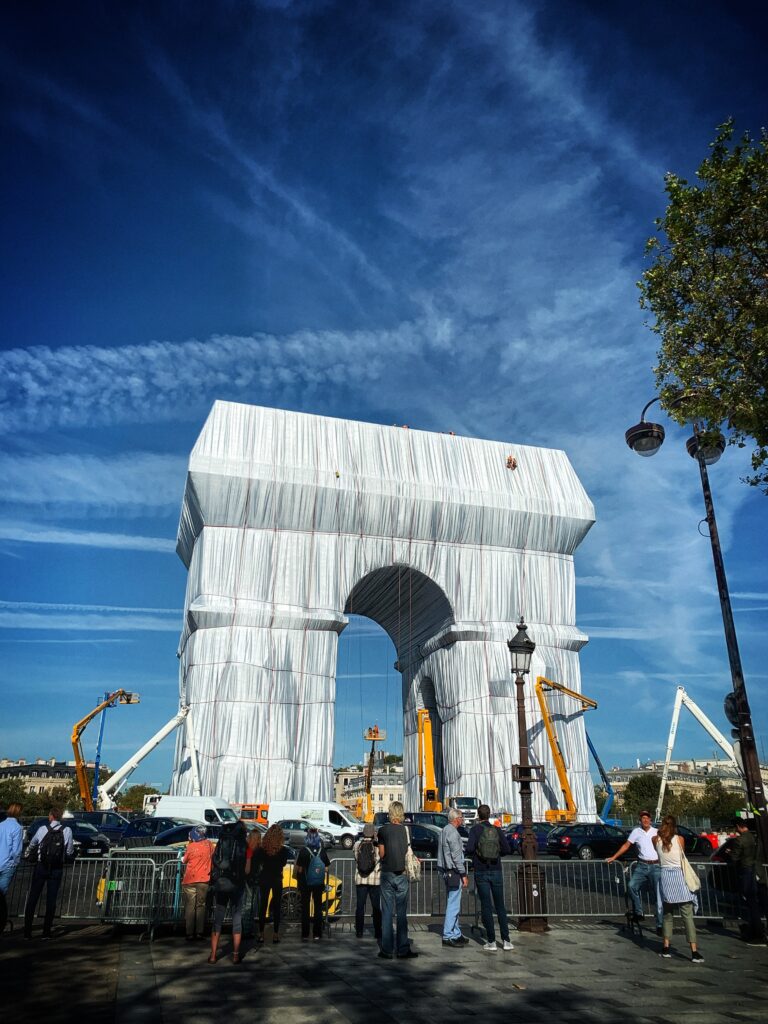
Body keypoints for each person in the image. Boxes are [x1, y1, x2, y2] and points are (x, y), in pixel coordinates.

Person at [653, 814, 703, 962]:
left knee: (667, 915)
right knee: (687, 916)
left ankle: (666, 947)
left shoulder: (656, 840)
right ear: (675, 826)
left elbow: (658, 851)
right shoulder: (680, 839)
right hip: (679, 877)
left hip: (665, 878)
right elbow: (682, 855)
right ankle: (694, 951)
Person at [465, 803, 513, 951]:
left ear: (478, 815)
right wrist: (496, 855)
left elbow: (470, 849)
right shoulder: (497, 830)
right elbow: (507, 849)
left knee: (486, 905)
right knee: (500, 906)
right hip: (496, 869)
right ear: (489, 814)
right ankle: (506, 941)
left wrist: (476, 856)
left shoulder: (475, 830)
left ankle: (491, 941)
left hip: (481, 871)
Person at [606, 810, 663, 933]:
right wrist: (614, 857)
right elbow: (626, 845)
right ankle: (639, 911)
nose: (645, 820)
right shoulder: (636, 832)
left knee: (658, 896)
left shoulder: (657, 832)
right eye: (643, 818)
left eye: (647, 818)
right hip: (642, 865)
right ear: (640, 820)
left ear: (651, 820)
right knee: (632, 886)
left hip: (656, 866)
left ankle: (660, 924)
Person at [23, 807, 74, 939]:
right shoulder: (67, 830)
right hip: (57, 868)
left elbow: (33, 843)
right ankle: (46, 932)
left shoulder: (42, 829)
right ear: (61, 817)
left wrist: (28, 853)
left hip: (41, 866)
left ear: (51, 816)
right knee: (51, 900)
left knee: (33, 898)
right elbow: (69, 851)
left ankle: (27, 931)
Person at [377, 800, 417, 959]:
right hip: (402, 873)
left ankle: (386, 950)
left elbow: (381, 854)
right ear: (401, 814)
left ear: (390, 813)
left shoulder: (383, 830)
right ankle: (403, 948)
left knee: (386, 912)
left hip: (387, 873)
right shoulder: (406, 830)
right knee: (401, 913)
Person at [208, 819, 248, 964]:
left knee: (218, 918)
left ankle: (213, 955)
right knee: (237, 918)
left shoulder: (221, 842)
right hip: (237, 884)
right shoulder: (244, 844)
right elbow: (247, 868)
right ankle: (236, 955)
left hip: (222, 883)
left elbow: (215, 861)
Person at [437, 806, 469, 948]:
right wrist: (463, 874)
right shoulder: (454, 833)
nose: (462, 820)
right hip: (454, 871)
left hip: (446, 870)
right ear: (456, 819)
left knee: (453, 901)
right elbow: (456, 857)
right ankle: (448, 934)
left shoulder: (444, 830)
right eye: (461, 818)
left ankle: (456, 933)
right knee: (453, 904)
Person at [729, 821, 765, 944]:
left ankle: (757, 932)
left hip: (745, 871)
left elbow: (734, 858)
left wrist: (730, 854)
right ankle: (755, 930)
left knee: (750, 902)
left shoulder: (740, 840)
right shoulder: (754, 837)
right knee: (755, 901)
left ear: (738, 826)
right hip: (755, 870)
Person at [255, 824, 290, 944]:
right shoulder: (283, 850)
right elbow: (283, 864)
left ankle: (260, 933)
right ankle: (275, 934)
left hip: (264, 878)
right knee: (276, 906)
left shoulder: (262, 849)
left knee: (263, 906)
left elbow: (258, 862)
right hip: (277, 879)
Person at [294, 827, 331, 941]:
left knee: (305, 908)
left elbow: (299, 870)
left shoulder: (304, 851)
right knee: (318, 908)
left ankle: (305, 934)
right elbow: (326, 868)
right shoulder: (322, 851)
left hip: (305, 883)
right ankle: (317, 934)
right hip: (318, 883)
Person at [181, 825, 214, 941]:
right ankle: (200, 932)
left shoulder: (191, 847)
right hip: (204, 879)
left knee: (190, 906)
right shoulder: (209, 845)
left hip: (190, 879)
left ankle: (189, 933)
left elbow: (184, 860)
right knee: (201, 906)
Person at [353, 822, 382, 942]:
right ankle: (377, 931)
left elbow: (356, 858)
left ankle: (359, 931)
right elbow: (380, 857)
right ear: (373, 833)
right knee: (376, 907)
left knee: (360, 906)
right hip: (374, 880)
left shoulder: (357, 844)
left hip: (360, 879)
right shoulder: (376, 846)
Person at [0, 803, 23, 934]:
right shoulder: (17, 828)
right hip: (7, 864)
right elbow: (16, 850)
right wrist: (15, 862)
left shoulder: (1, 825)